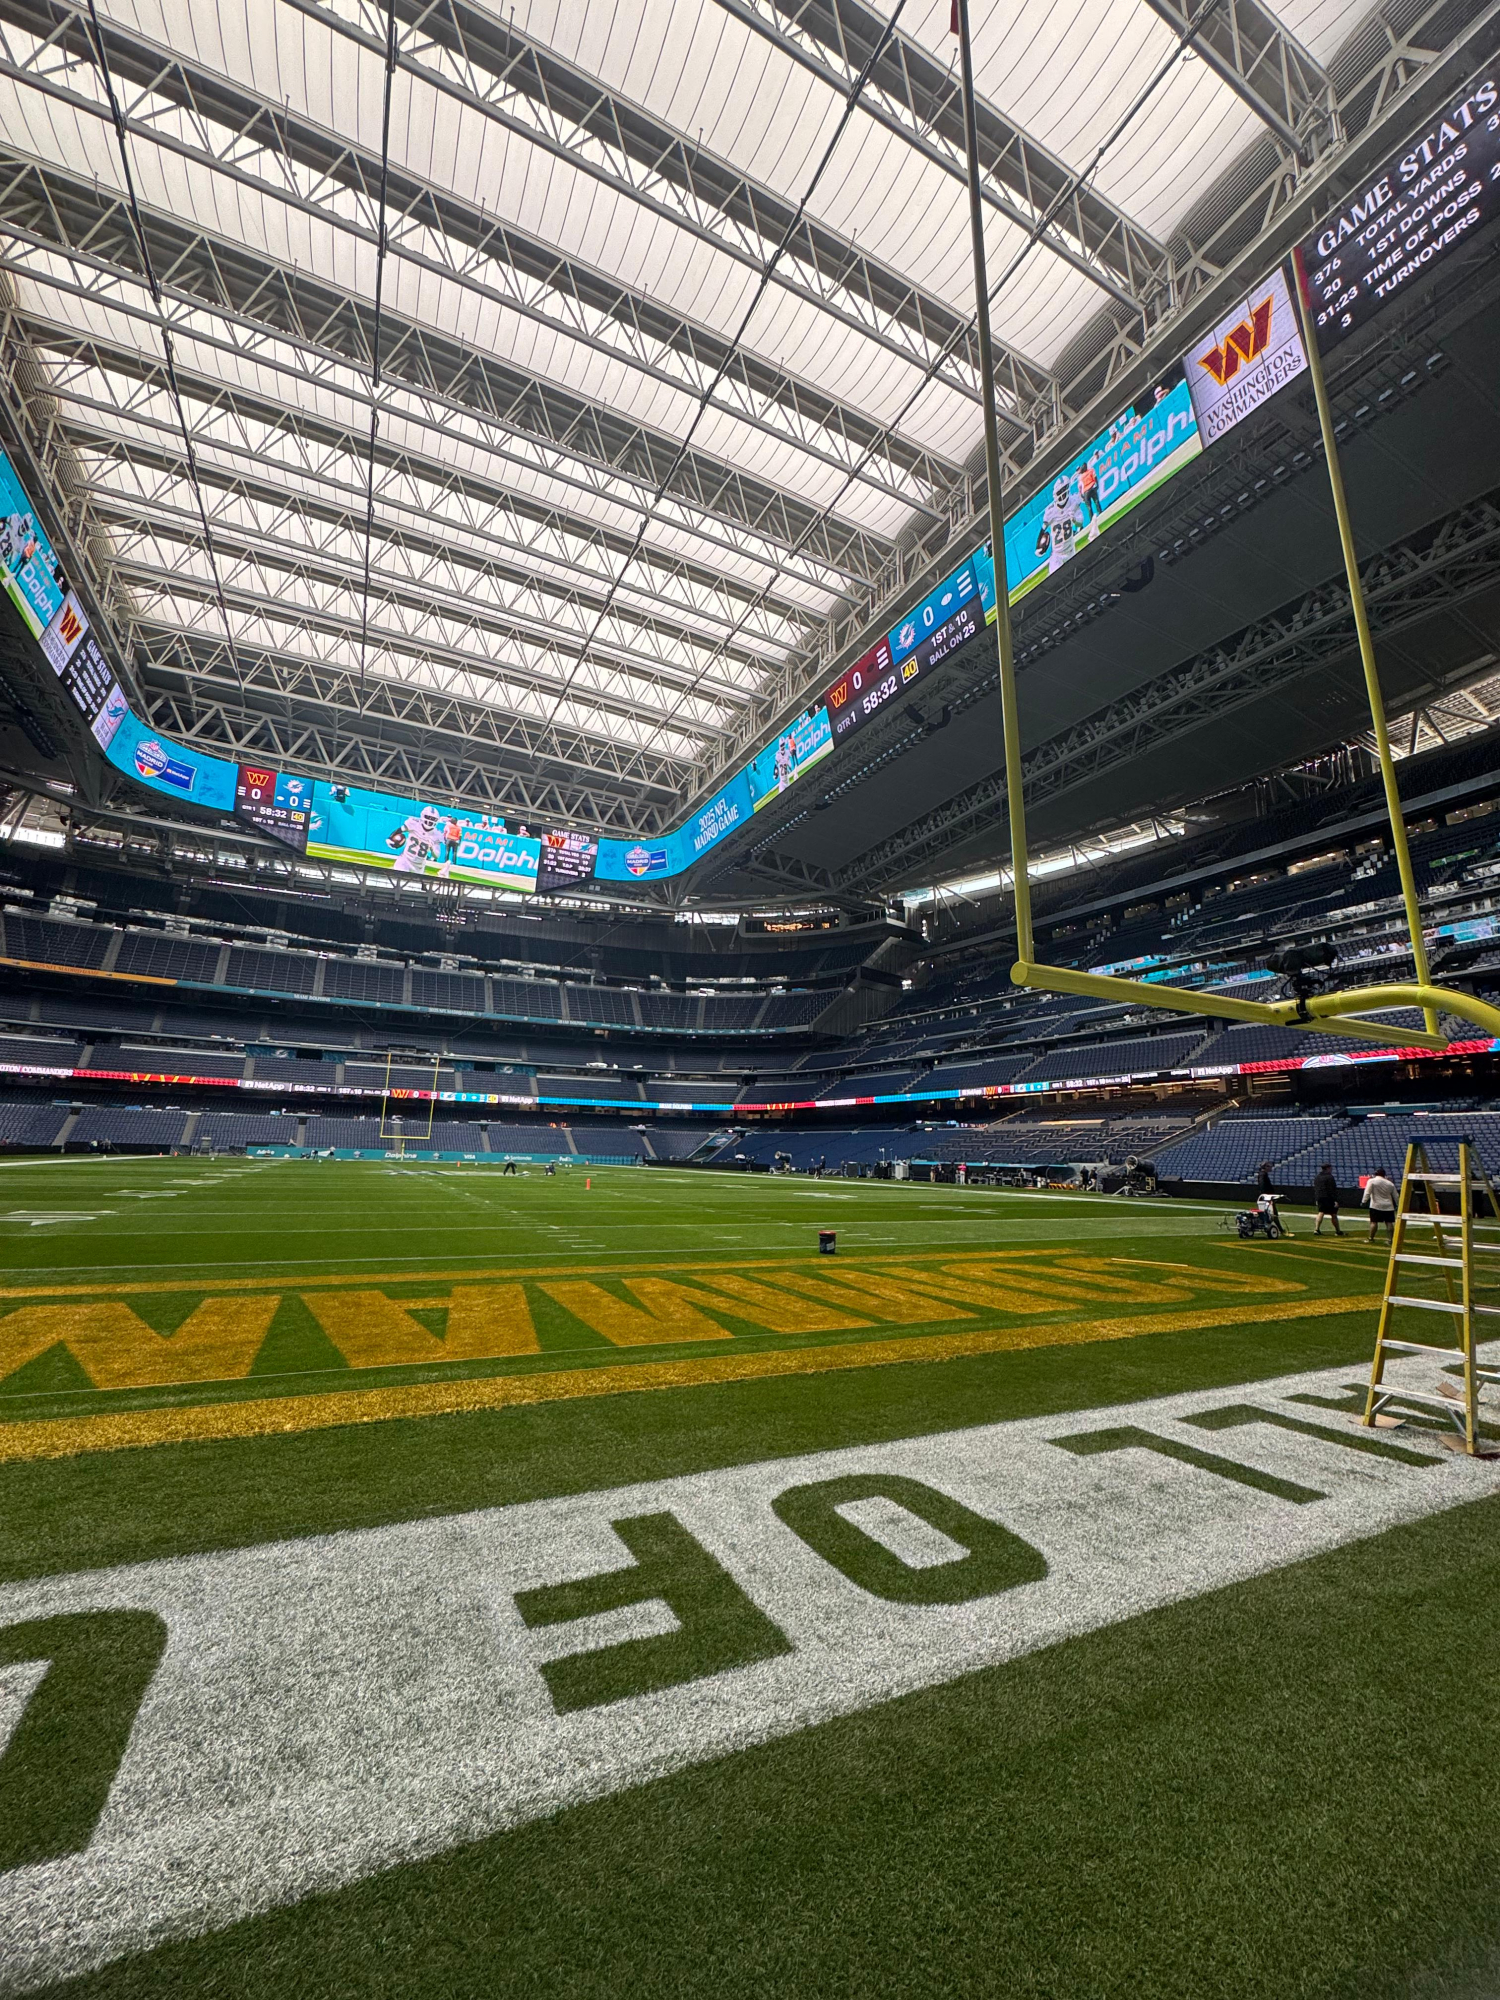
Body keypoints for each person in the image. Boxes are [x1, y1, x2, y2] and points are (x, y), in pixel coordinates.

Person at [1035, 477, 1086, 573]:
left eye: (1062, 491)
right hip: (1057, 555)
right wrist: (1038, 547)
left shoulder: (1073, 502)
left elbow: (1080, 523)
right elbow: (1043, 530)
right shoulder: (1051, 511)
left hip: (1071, 550)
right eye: (1059, 492)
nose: (1061, 495)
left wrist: (1074, 520)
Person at [1363, 1167, 1399, 1241]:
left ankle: (1371, 1238)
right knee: (1389, 1223)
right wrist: (1398, 1204)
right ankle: (1391, 1240)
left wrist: (1364, 1201)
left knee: (1374, 1222)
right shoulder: (1390, 1183)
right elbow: (1396, 1196)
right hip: (1388, 1206)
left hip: (1376, 1205)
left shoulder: (1372, 1181)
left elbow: (1367, 1192)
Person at [1311, 1162, 1342, 1235]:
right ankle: (1338, 1231)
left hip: (1320, 1197)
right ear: (1328, 1168)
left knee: (1321, 1212)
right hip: (1328, 1198)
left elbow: (1316, 1188)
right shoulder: (1329, 1177)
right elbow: (1332, 1189)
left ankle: (1316, 1229)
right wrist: (1335, 1200)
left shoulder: (1317, 1177)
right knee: (1333, 1214)